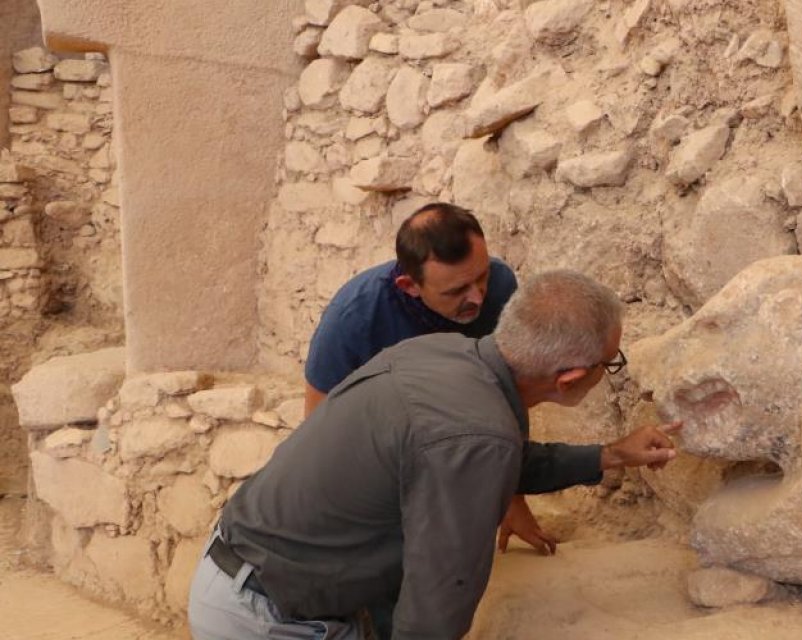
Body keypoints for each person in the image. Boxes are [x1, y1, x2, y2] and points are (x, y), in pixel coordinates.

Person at [188, 270, 680, 640]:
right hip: (267, 619)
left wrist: (610, 455)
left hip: (242, 576)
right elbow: (438, 602)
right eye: (609, 363)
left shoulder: (441, 355)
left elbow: (482, 459)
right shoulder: (475, 434)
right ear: (570, 377)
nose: (608, 372)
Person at [306, 202, 557, 560]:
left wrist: (512, 500)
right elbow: (318, 429)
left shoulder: (500, 285)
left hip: (452, 429)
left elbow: (506, 397)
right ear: (409, 286)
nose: (477, 297)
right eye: (457, 291)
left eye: (481, 277)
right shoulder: (354, 317)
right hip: (376, 443)